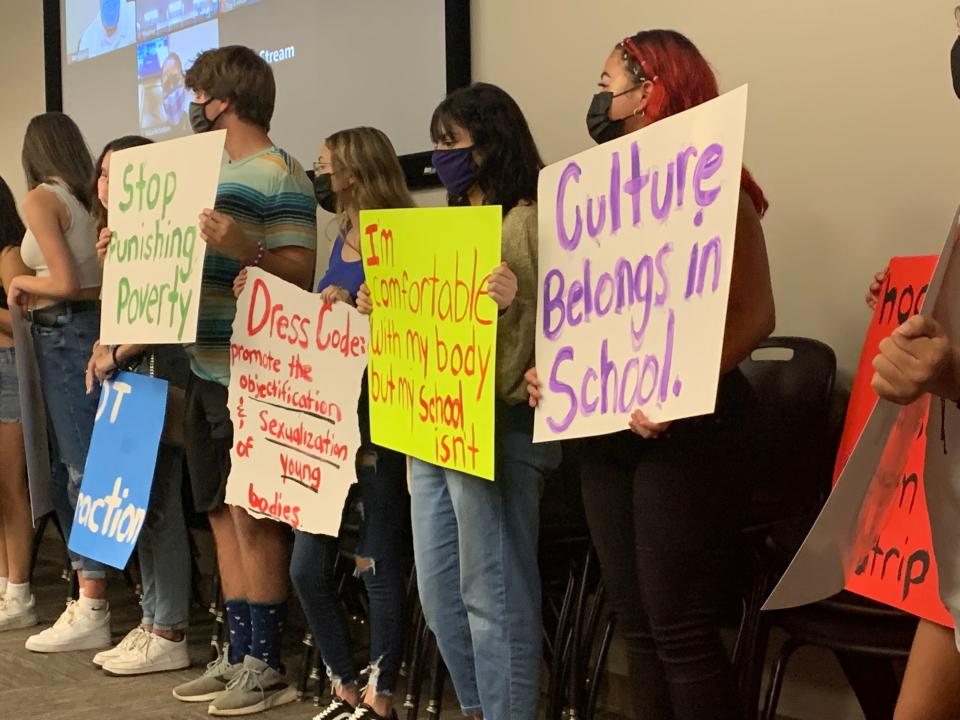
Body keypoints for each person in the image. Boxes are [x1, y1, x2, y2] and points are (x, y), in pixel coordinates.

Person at [527, 30, 775, 720]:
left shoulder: (717, 182)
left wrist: (680, 386)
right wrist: (557, 375)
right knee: (635, 624)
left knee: (680, 630)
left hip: (693, 427)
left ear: (651, 91)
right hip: (608, 426)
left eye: (608, 82)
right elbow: (587, 315)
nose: (598, 98)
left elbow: (757, 315)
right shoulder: (594, 199)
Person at [357, 82, 561, 720]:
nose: (438, 154)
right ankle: (478, 708)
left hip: (500, 428)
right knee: (443, 595)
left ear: (489, 144)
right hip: (435, 426)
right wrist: (381, 305)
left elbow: (560, 322)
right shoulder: (446, 226)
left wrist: (516, 302)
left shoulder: (530, 218)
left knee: (493, 597)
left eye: (451, 142)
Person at [166, 45, 317, 716]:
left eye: (198, 93)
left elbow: (301, 274)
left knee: (255, 519)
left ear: (223, 98)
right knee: (220, 515)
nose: (192, 105)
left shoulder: (279, 171)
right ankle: (236, 650)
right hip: (202, 362)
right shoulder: (198, 173)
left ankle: (267, 663)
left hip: (251, 371)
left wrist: (243, 250)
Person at [272, 127, 412, 720]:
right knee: (306, 565)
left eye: (326, 166)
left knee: (376, 562)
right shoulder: (344, 234)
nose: (320, 175)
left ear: (355, 171)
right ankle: (343, 683)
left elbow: (416, 321)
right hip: (332, 422)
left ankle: (381, 696)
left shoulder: (401, 235)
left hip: (379, 421)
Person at [83, 135, 193, 676]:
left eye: (121, 174)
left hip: (158, 377)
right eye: (103, 174)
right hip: (126, 376)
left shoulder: (165, 233)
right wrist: (103, 350)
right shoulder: (116, 238)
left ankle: (170, 627)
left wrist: (115, 354)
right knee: (136, 504)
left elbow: (161, 309)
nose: (109, 185)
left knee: (160, 504)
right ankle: (150, 618)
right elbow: (122, 311)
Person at [12, 112, 113, 654]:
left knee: (79, 468)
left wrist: (20, 282)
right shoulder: (85, 200)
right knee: (75, 465)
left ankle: (92, 602)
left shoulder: (39, 199)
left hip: (61, 335)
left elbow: (66, 282)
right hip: (89, 332)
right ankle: (89, 592)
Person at [0, 174, 36, 631]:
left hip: (8, 371)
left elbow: (24, 321)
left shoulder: (9, 255)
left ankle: (20, 591)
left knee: (11, 488)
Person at [160, 53, 192, 134]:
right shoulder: (160, 132)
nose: (172, 88)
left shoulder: (196, 124)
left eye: (176, 80)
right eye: (166, 85)